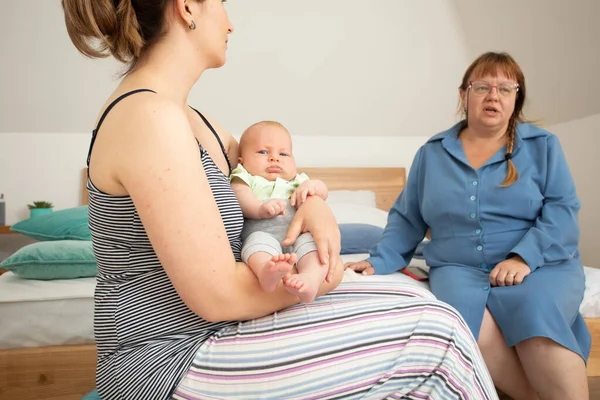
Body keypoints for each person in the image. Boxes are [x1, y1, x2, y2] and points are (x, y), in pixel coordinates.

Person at [61, 0, 498, 398]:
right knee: (437, 338)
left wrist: (315, 205)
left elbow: (279, 179)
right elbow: (219, 296)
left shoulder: (196, 120)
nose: (230, 22)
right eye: (223, 4)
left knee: (421, 302)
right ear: (188, 7)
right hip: (166, 359)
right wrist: (327, 273)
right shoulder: (148, 117)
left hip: (215, 330)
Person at [347, 51, 591, 400]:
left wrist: (523, 259)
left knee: (536, 311)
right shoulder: (432, 153)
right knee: (463, 327)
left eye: (505, 88)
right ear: (465, 95)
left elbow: (563, 209)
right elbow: (407, 216)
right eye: (483, 87)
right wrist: (379, 260)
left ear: (516, 98)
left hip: (539, 263)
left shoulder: (543, 146)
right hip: (458, 267)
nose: (494, 95)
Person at [231, 121, 328, 303]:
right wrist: (259, 208)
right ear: (241, 161)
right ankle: (266, 274)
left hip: (299, 235)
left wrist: (313, 186)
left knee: (315, 248)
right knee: (255, 247)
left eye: (283, 154)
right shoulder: (245, 177)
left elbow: (323, 191)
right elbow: (239, 194)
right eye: (263, 152)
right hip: (263, 233)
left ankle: (310, 280)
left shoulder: (299, 180)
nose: (274, 158)